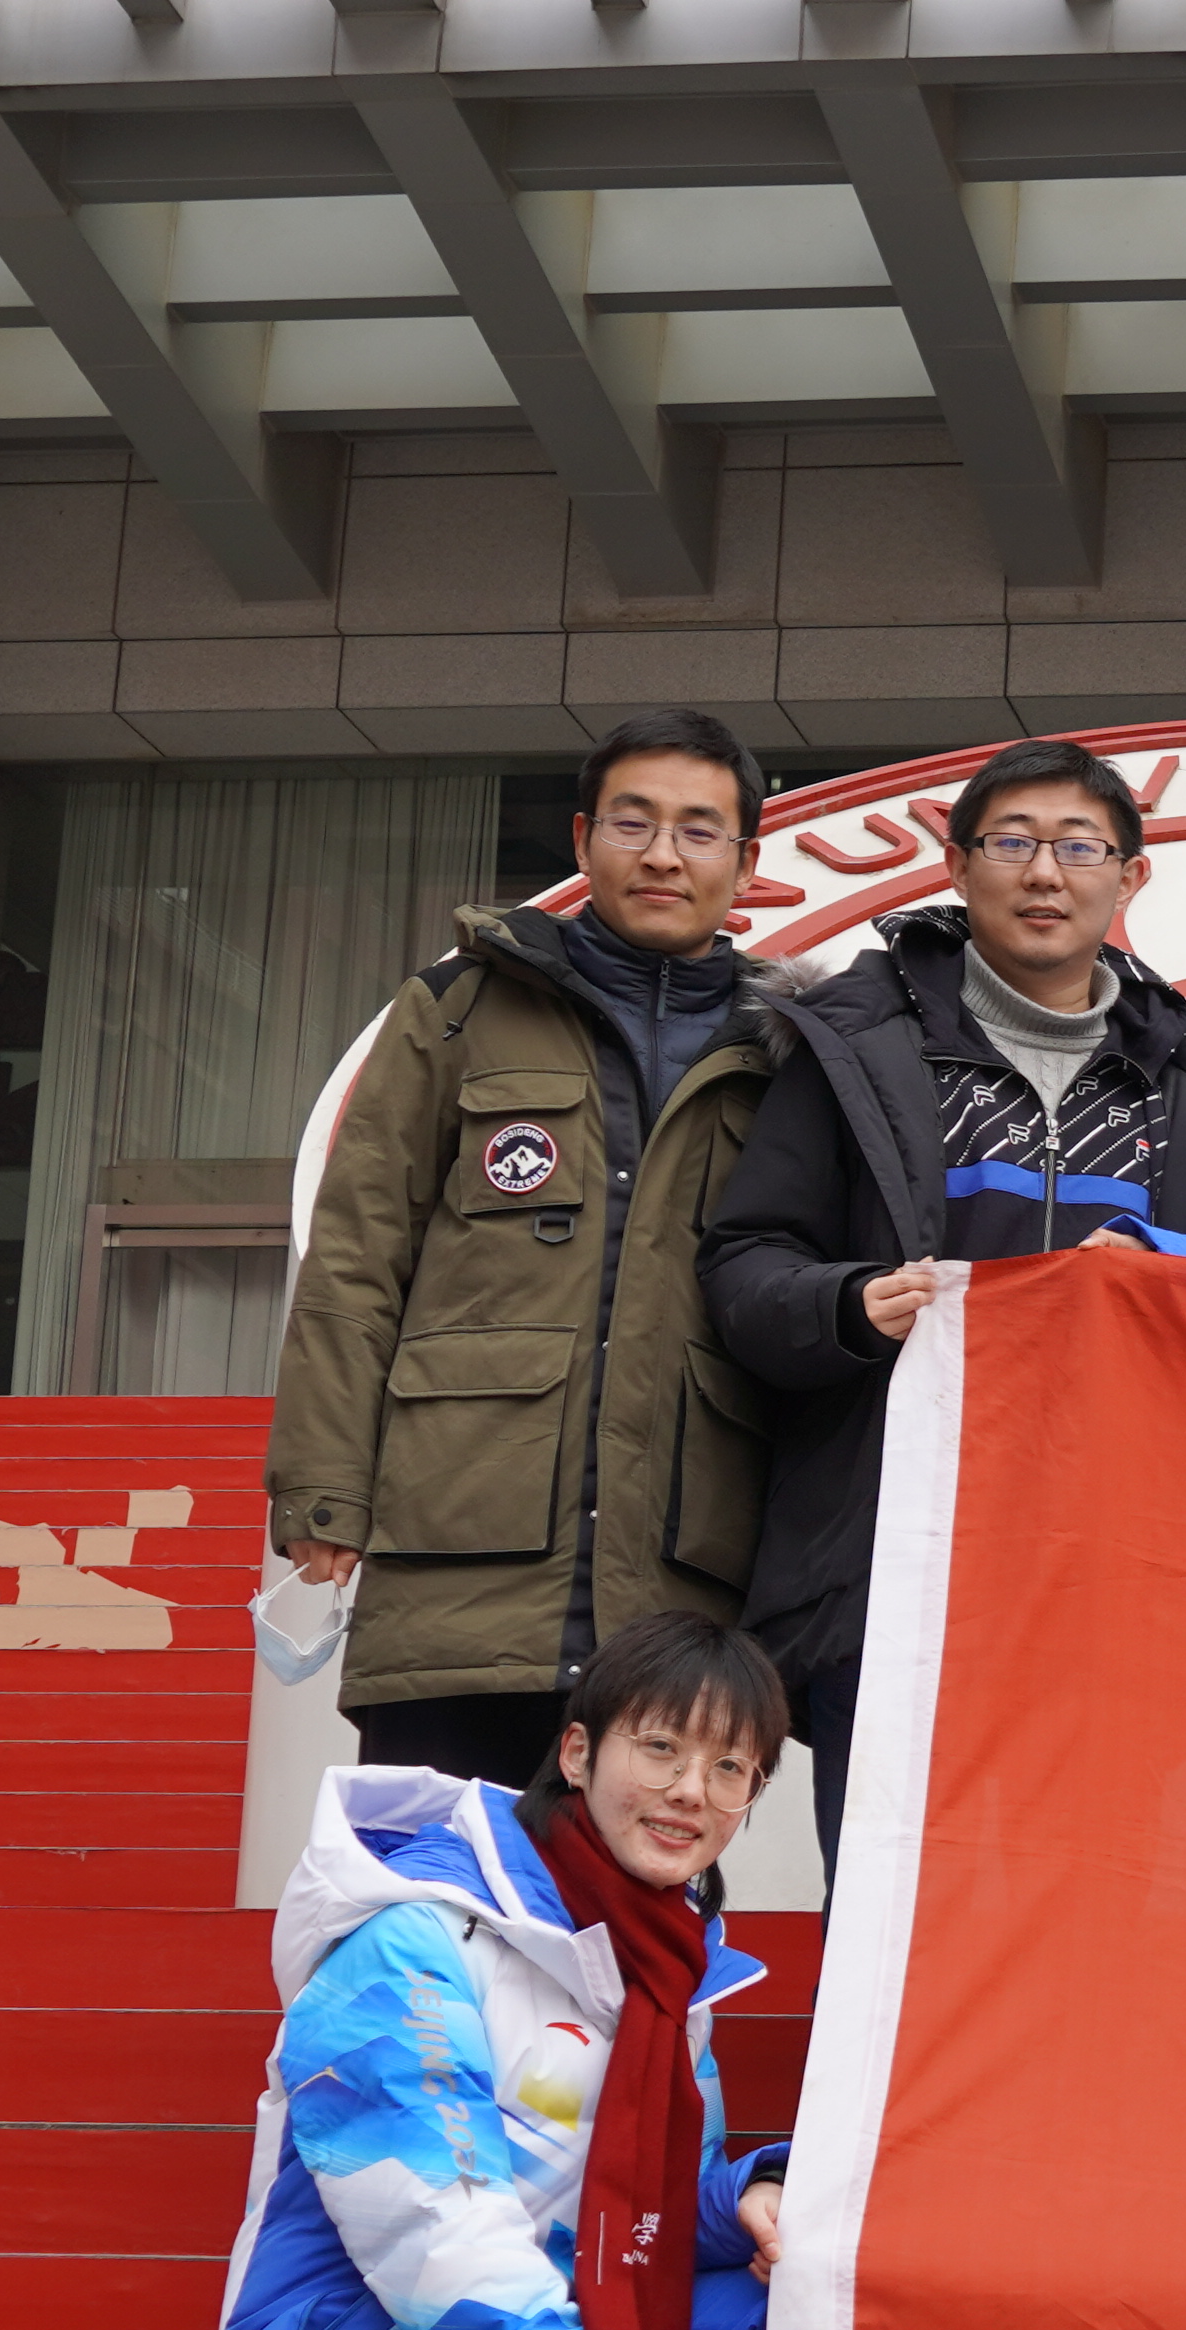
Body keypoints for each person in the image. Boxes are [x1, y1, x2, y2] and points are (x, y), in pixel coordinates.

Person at [206, 1614, 844, 2330]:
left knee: (819, 2310)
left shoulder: (663, 1963)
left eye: (731, 1767)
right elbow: (440, 2247)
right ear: (579, 1749)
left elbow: (630, 2205)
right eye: (662, 1748)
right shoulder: (412, 1940)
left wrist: (752, 2192)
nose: (691, 1791)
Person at [702, 738, 1186, 1868]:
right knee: (892, 1898)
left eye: (1078, 847)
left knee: (1096, 1896)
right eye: (1012, 843)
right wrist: (849, 1305)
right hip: (894, 1554)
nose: (1044, 873)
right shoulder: (856, 1048)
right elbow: (745, 1260)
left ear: (1131, 876)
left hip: (1117, 1572)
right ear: (957, 867)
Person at [274, 709, 796, 1794]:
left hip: (680, 1577)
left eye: (699, 830)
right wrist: (325, 1490)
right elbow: (357, 1260)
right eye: (633, 822)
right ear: (583, 840)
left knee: (639, 1878)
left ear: (746, 863)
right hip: (456, 1551)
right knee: (436, 1882)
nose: (663, 855)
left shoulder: (789, 1052)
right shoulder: (459, 1009)